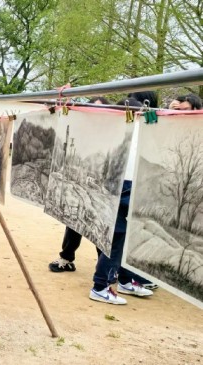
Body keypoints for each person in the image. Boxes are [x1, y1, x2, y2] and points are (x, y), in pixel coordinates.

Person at [49, 95, 157, 289]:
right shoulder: (96, 128)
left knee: (110, 231)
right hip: (90, 182)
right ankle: (69, 258)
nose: (95, 112)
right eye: (91, 108)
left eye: (99, 108)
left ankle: (112, 273)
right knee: (78, 221)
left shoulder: (128, 132)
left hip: (112, 185)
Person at [89, 98, 154, 305]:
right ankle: (101, 286)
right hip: (117, 186)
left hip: (126, 184)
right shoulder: (116, 129)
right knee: (118, 237)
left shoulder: (138, 130)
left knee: (124, 237)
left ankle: (125, 280)